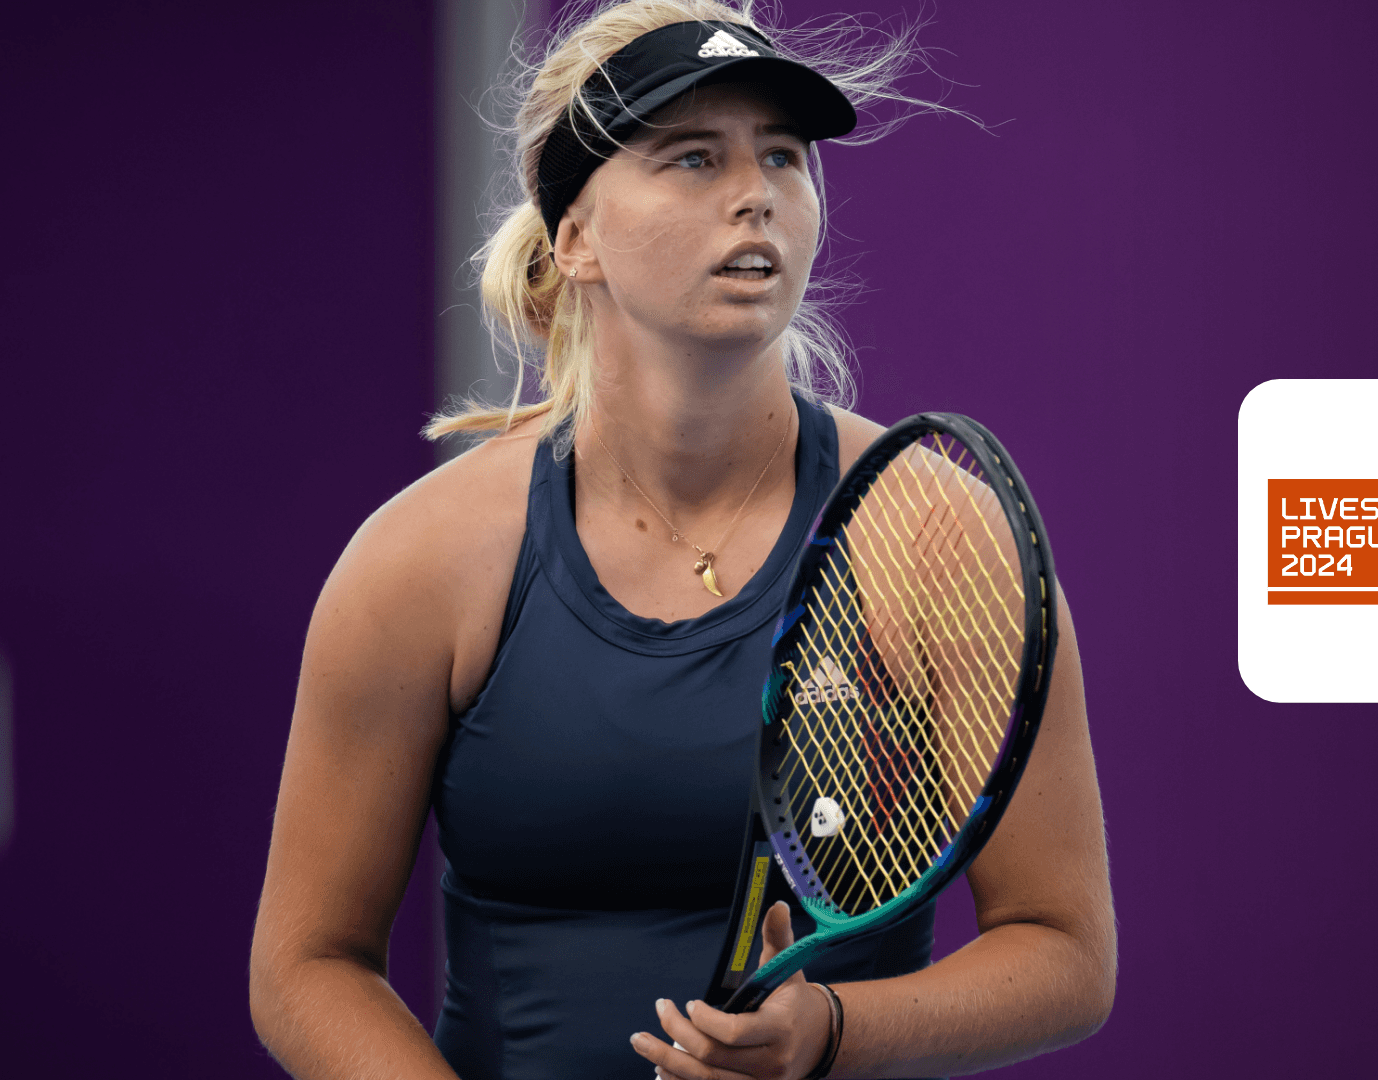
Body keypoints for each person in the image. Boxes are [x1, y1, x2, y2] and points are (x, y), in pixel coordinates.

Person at [248, 3, 1114, 1078]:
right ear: (575, 239)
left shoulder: (937, 532)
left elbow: (1065, 949)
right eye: (694, 157)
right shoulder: (420, 560)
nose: (756, 193)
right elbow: (307, 962)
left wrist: (832, 1033)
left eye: (783, 156)